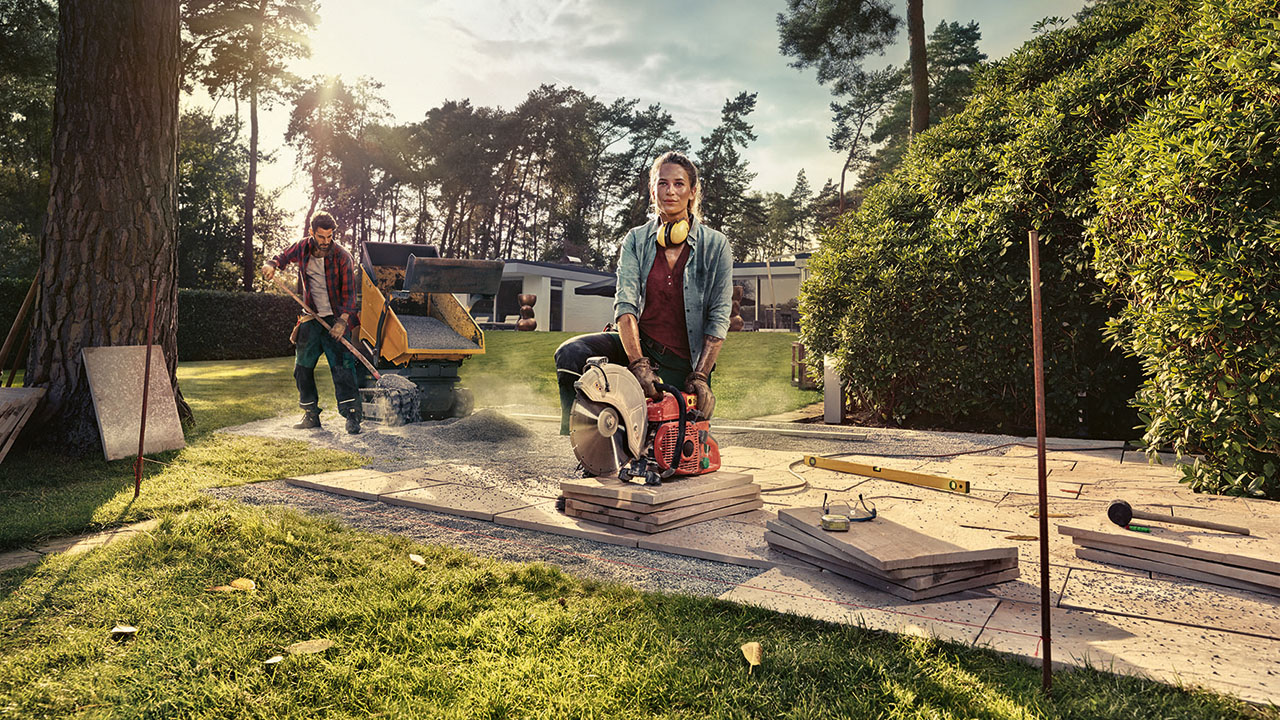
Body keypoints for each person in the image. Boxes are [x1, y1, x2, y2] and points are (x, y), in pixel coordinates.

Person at [554, 151, 734, 435]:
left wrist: (700, 376)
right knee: (572, 353)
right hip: (640, 350)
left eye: (679, 184)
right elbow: (624, 305)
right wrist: (638, 363)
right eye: (662, 183)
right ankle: (584, 440)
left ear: (692, 191)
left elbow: (719, 318)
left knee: (670, 450)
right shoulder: (636, 240)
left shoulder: (716, 245)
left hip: (686, 363)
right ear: (653, 190)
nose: (670, 191)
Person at [261, 210, 363, 434]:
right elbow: (281, 256)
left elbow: (350, 295)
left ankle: (352, 416)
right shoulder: (303, 247)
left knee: (343, 368)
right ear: (311, 233)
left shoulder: (342, 256)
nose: (326, 242)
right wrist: (271, 265)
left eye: (329, 236)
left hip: (336, 318)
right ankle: (310, 414)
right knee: (302, 368)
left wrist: (342, 321)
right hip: (311, 317)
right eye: (321, 237)